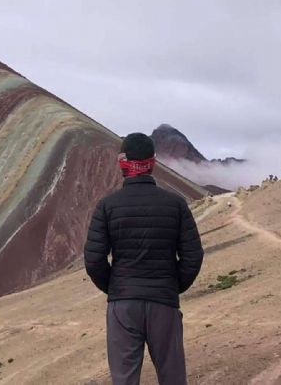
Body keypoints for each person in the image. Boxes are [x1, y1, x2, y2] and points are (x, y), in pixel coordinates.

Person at [84, 133, 204, 385]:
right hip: (164, 301)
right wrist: (172, 286)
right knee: (172, 377)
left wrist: (117, 288)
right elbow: (193, 254)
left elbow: (94, 259)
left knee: (124, 378)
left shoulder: (107, 206)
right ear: (152, 163)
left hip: (123, 305)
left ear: (122, 162)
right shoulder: (176, 204)